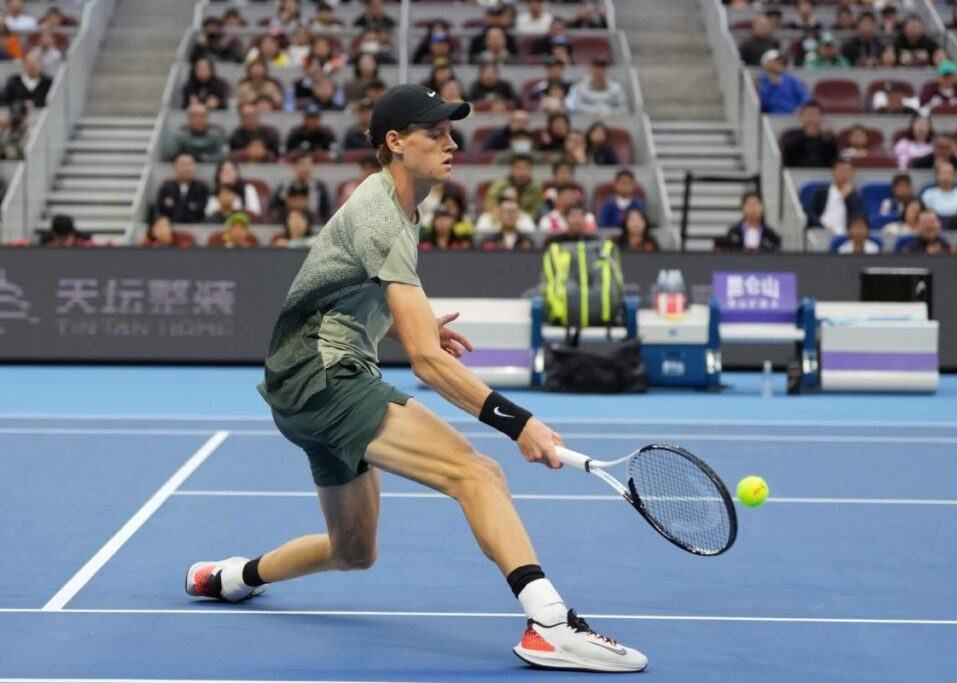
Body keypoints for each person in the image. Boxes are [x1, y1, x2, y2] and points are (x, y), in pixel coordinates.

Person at [185, 83, 646, 672]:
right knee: (477, 472)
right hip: (326, 378)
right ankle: (550, 625)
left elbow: (350, 292)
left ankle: (232, 578)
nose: (452, 143)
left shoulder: (405, 207)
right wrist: (519, 423)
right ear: (396, 143)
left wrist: (415, 325)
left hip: (301, 387)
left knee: (353, 552)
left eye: (452, 132)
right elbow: (428, 365)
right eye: (437, 133)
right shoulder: (380, 214)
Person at [805, 160, 864, 234]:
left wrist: (848, 198)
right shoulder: (820, 192)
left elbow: (857, 218)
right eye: (841, 170)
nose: (844, 174)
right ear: (833, 172)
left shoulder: (856, 196)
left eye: (847, 171)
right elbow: (809, 212)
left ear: (852, 173)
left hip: (845, 233)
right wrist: (822, 226)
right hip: (820, 230)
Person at [156, 152, 209, 223]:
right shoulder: (166, 187)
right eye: (182, 165)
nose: (186, 168)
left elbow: (202, 210)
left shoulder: (202, 188)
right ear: (175, 167)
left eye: (188, 164)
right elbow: (161, 210)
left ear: (194, 167)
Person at [782, 101, 837, 168]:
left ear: (821, 117)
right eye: (808, 113)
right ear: (801, 116)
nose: (811, 117)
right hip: (796, 173)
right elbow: (788, 157)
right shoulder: (791, 134)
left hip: (822, 174)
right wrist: (805, 136)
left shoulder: (828, 137)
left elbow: (833, 158)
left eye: (815, 114)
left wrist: (826, 140)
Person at [757, 50, 809, 115]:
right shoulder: (761, 81)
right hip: (770, 118)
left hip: (793, 117)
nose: (779, 63)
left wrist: (801, 107)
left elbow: (805, 96)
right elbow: (762, 104)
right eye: (775, 61)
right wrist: (771, 86)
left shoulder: (791, 80)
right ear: (766, 63)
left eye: (780, 61)